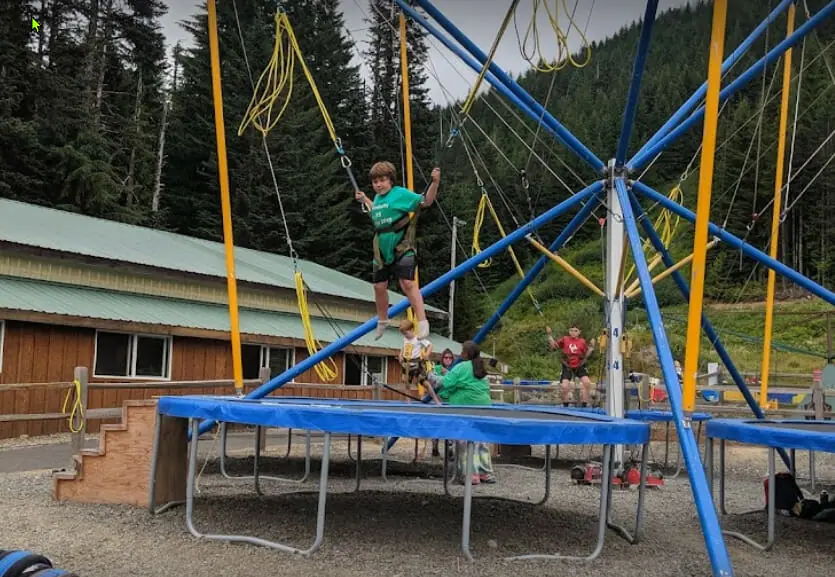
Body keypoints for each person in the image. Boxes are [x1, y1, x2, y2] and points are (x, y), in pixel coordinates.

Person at [355, 161, 440, 340]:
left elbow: (426, 201)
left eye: (382, 181)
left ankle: (423, 320)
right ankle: (383, 319)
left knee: (407, 283)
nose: (378, 185)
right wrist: (365, 200)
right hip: (381, 250)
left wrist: (434, 183)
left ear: (390, 181)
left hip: (401, 245)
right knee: (379, 287)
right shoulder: (378, 199)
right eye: (375, 182)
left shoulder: (399, 193)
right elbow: (378, 212)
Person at [435, 340, 496, 485]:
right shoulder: (481, 368)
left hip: (465, 407)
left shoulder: (461, 367)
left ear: (466, 354)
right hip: (484, 407)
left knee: (464, 441)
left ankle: (471, 473)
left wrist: (428, 377)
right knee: (481, 441)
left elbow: (446, 383)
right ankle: (485, 472)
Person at [546, 324, 595, 407]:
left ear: (579, 332)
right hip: (567, 365)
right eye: (571, 331)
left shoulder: (582, 341)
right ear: (569, 331)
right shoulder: (565, 339)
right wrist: (549, 335)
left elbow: (586, 355)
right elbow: (553, 345)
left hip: (579, 365)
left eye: (575, 331)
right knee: (564, 386)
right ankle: (565, 404)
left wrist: (592, 347)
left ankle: (584, 404)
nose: (573, 333)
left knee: (587, 383)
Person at [397, 319, 440, 405]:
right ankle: (408, 402)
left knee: (425, 383)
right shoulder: (405, 338)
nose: (405, 335)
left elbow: (430, 345)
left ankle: (436, 400)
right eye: (403, 334)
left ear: (412, 330)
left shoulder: (418, 338)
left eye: (406, 333)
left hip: (417, 364)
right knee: (407, 384)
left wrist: (427, 354)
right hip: (407, 364)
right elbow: (404, 347)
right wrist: (400, 355)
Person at [429, 348, 455, 457]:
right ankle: (434, 447)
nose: (448, 359)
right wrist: (445, 377)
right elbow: (432, 380)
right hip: (438, 399)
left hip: (450, 400)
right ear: (442, 358)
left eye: (450, 357)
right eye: (446, 357)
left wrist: (447, 375)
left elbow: (456, 382)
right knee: (436, 424)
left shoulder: (455, 369)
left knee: (450, 425)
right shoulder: (436, 368)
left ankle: (450, 447)